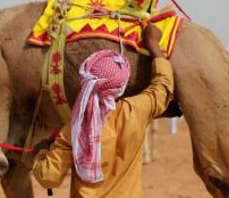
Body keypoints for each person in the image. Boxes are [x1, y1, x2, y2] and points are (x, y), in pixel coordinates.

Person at [32, 23, 174, 198]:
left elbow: (48, 178)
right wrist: (154, 46)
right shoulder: (136, 111)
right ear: (121, 86)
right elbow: (163, 86)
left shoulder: (75, 130)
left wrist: (42, 151)